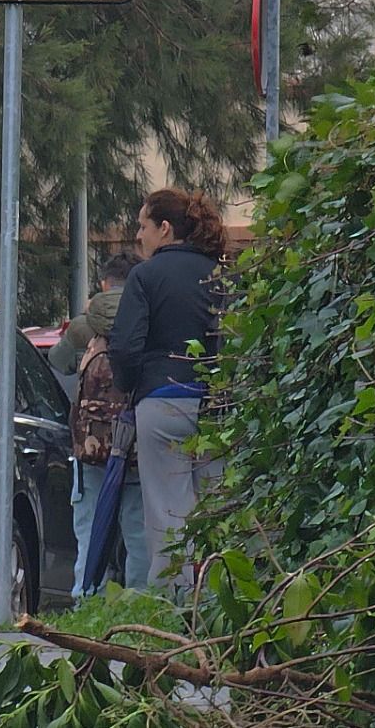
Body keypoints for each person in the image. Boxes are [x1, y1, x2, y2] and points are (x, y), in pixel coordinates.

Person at [109, 188, 227, 590]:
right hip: (218, 406)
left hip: (161, 402)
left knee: (168, 518)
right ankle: (218, 606)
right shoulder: (222, 273)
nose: (138, 236)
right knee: (216, 512)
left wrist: (132, 388)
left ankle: (172, 614)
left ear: (164, 228)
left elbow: (124, 347)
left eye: (142, 226)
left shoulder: (144, 276)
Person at [57, 252, 148, 596]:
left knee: (89, 527)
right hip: (135, 443)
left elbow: (58, 362)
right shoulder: (145, 314)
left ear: (104, 283)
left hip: (91, 446)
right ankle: (139, 602)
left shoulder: (88, 323)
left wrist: (84, 320)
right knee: (138, 532)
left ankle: (86, 597)